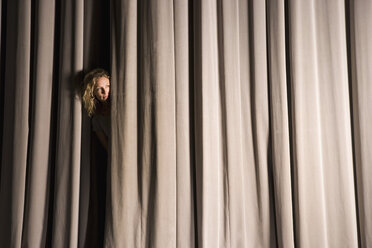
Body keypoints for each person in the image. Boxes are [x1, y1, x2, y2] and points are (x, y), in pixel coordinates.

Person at [82, 68, 111, 151]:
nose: (105, 92)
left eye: (107, 86)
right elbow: (107, 147)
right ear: (92, 92)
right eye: (99, 89)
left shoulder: (122, 106)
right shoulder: (97, 119)